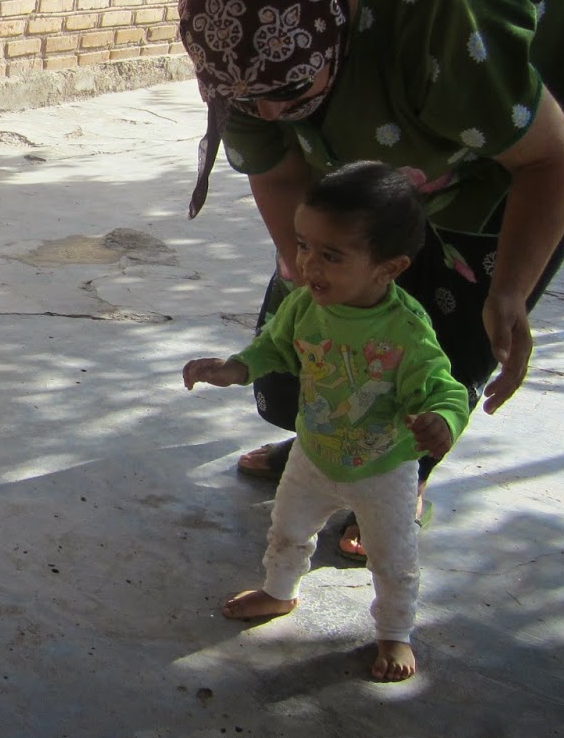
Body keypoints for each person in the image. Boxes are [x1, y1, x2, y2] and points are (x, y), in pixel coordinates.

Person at [177, 0, 564, 560]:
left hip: (516, 129)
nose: (266, 113)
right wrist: (306, 274)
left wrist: (509, 290)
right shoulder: (246, 58)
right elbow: (280, 175)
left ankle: (394, 476)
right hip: (400, 98)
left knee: (448, 329)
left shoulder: (437, 5)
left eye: (289, 92)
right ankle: (328, 447)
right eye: (247, 100)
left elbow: (546, 160)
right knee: (316, 320)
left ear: (342, 24)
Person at [184, 162, 471, 680]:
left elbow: (444, 389)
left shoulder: (406, 331)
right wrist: (234, 369)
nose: (308, 264)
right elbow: (273, 347)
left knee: (393, 559)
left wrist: (442, 421)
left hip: (383, 469)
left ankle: (395, 632)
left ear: (389, 268)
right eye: (303, 245)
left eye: (331, 255)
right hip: (313, 454)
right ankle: (279, 591)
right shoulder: (304, 307)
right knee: (287, 530)